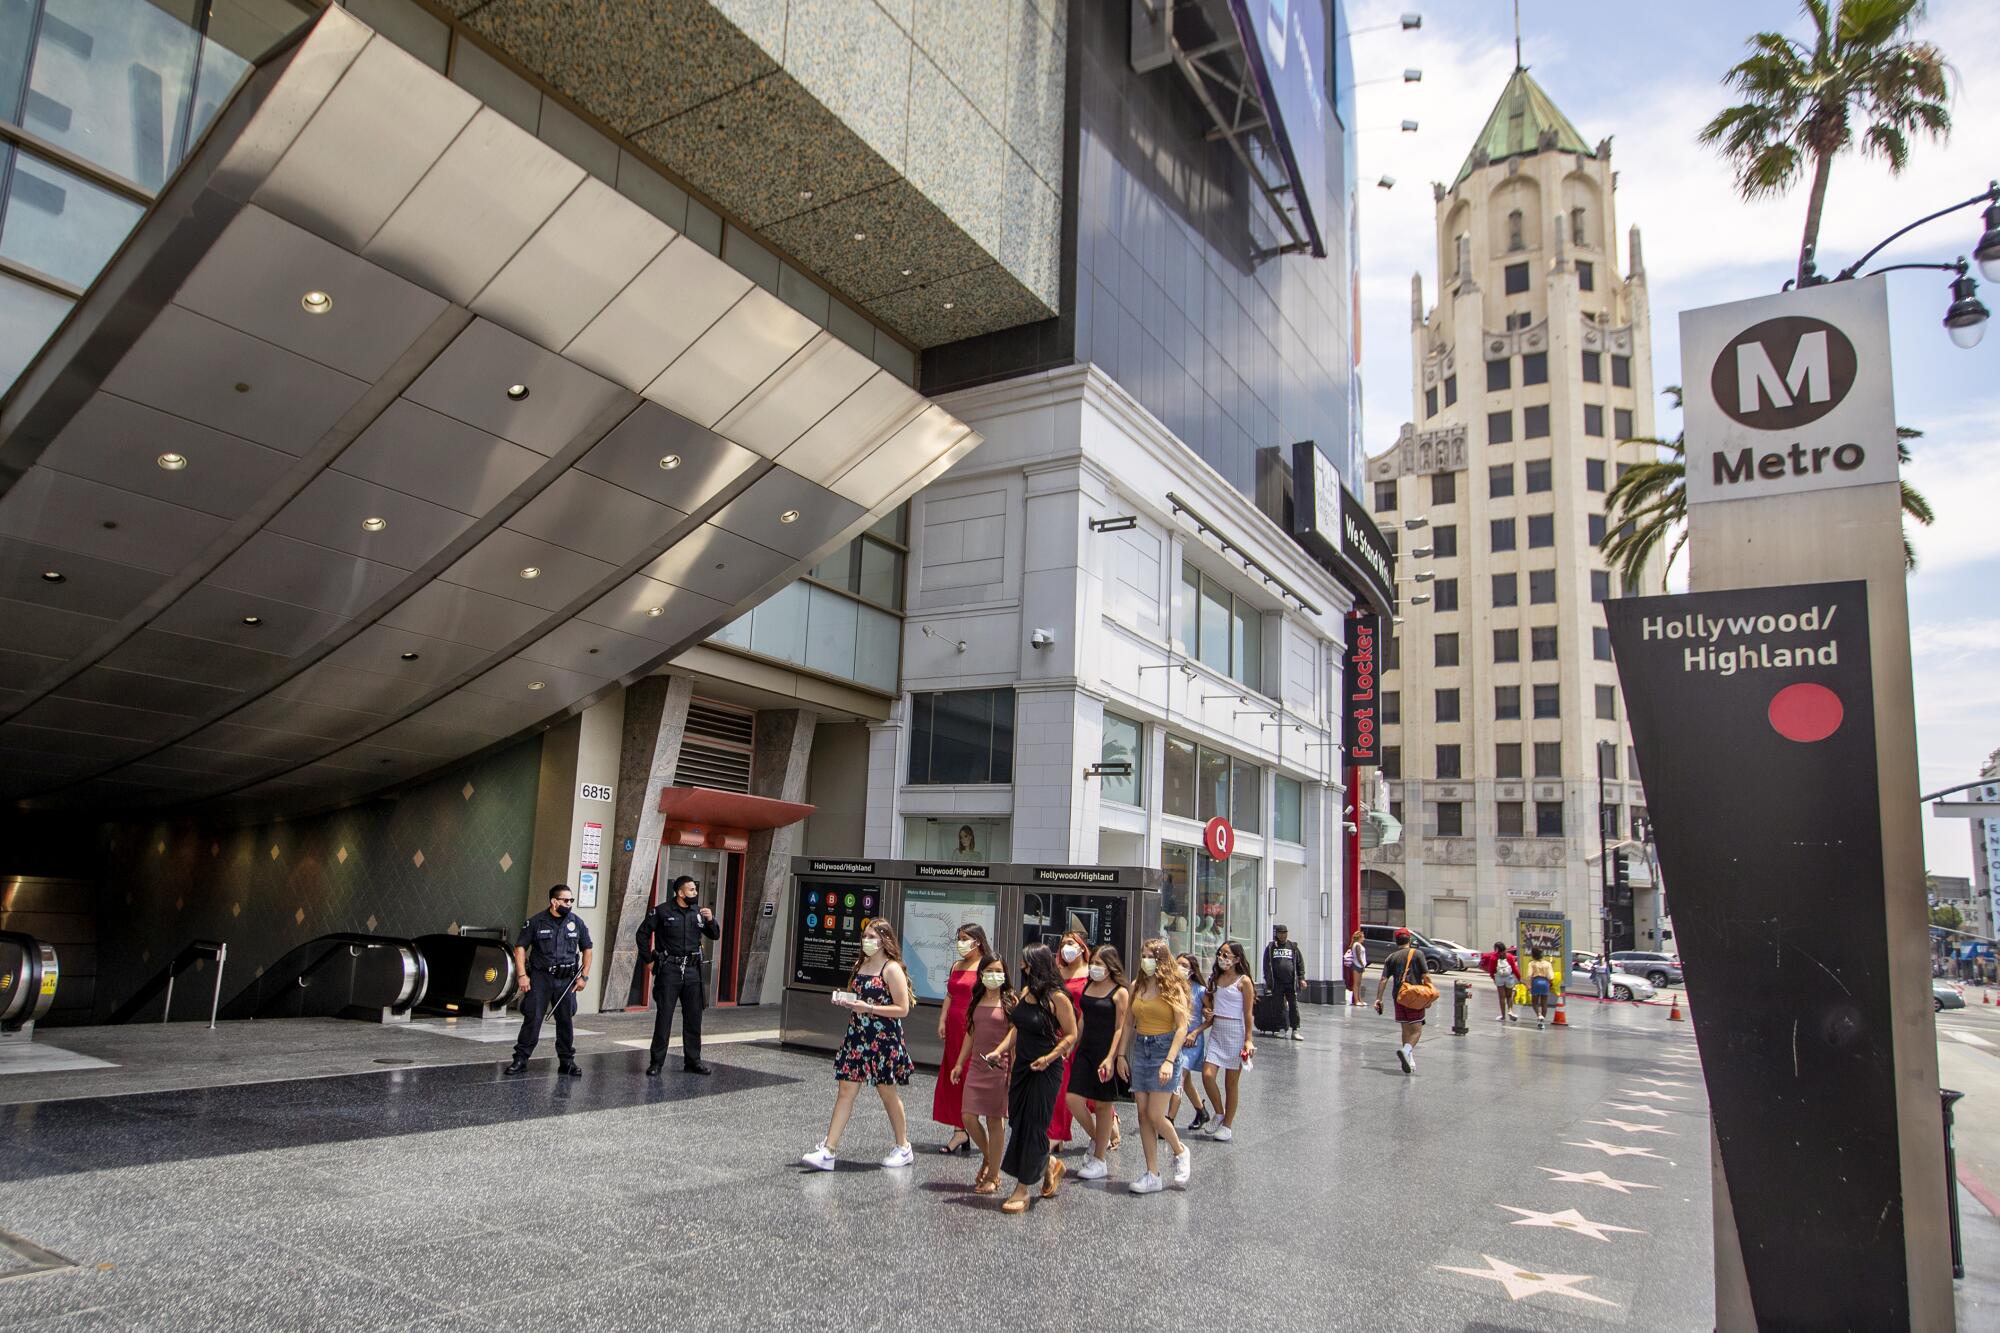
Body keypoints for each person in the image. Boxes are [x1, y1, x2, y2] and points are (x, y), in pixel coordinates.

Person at [801, 920, 916, 1170]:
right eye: (864, 936)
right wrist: (848, 1002)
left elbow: (903, 1008)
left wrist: (870, 1008)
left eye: (872, 936)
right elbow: (858, 996)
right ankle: (829, 1150)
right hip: (857, 1036)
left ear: (885, 939)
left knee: (887, 1093)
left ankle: (903, 1146)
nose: (866, 940)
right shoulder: (861, 964)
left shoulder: (891, 968)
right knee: (845, 1090)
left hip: (884, 1039)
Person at [982, 944, 1079, 1213]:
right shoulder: (1026, 993)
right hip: (1023, 1067)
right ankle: (1050, 1165)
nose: (1022, 967)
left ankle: (1022, 1190)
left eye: (1026, 963)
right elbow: (1018, 1028)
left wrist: (1050, 1057)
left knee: (1035, 1126)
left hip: (1045, 1069)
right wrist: (999, 1051)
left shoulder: (1057, 997)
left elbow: (1071, 1034)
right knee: (1018, 1122)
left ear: (1038, 964)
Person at [1122, 938, 1193, 1193]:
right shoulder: (1137, 985)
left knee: (1155, 1114)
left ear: (1161, 959)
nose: (1145, 960)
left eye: (1150, 955)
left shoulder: (1174, 988)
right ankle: (1152, 1172)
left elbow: (1182, 1027)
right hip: (1141, 1048)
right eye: (1143, 955)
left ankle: (1180, 1150)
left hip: (1164, 1049)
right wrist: (1121, 1055)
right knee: (1142, 1114)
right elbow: (1128, 1022)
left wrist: (1169, 1060)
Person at [636, 874, 721, 1076]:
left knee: (693, 1017)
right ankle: (656, 1062)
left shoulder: (698, 912)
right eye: (691, 890)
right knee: (664, 1016)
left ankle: (693, 1061)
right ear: (680, 892)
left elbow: (715, 935)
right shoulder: (662, 911)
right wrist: (649, 959)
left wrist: (710, 920)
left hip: (692, 970)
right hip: (670, 970)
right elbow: (642, 934)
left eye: (695, 889)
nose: (695, 893)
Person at [505, 885, 592, 1076]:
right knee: (533, 1019)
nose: (569, 904)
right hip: (541, 978)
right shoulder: (536, 922)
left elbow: (587, 949)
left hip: (566, 980)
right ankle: (520, 1060)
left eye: (571, 901)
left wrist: (583, 976)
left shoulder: (576, 922)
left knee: (565, 1021)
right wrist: (521, 975)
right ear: (554, 901)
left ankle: (567, 1062)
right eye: (565, 900)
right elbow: (520, 948)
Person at [950, 953, 1013, 1195]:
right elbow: (970, 1033)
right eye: (989, 971)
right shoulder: (976, 1000)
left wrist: (1004, 1059)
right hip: (976, 1066)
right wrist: (959, 1063)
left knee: (995, 1120)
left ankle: (994, 1176)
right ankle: (990, 1157)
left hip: (998, 1067)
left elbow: (1013, 1034)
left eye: (999, 971)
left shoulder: (1010, 1001)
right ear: (982, 974)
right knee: (968, 1116)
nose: (994, 976)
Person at [1066, 946, 1131, 1182]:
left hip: (1106, 1053)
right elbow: (1083, 1019)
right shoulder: (1089, 985)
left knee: (1104, 1105)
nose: (1094, 967)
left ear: (1111, 966)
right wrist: (1072, 1043)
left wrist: (1112, 1057)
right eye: (1093, 962)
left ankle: (1100, 1159)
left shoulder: (1120, 992)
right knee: (1072, 1098)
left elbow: (1120, 1027)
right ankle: (1097, 1138)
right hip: (1085, 1050)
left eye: (1100, 964)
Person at [933, 923, 993, 1153]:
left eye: (965, 938)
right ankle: (959, 1131)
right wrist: (941, 1020)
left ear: (977, 941)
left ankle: (976, 1124)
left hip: (974, 1027)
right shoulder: (956, 965)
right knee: (953, 1075)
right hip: (954, 1026)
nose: (961, 943)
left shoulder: (986, 966)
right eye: (959, 938)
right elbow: (949, 995)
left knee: (971, 1075)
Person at [1200, 940, 1255, 1140]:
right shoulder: (1215, 978)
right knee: (1207, 1074)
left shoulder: (1244, 981)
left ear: (1237, 959)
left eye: (1227, 955)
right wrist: (1206, 1011)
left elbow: (1248, 1013)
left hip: (1235, 1031)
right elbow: (1209, 1001)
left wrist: (1248, 1040)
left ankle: (1228, 1125)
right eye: (1220, 954)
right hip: (1217, 1029)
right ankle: (1218, 1112)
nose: (1222, 958)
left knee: (1231, 1083)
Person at [1047, 930, 1091, 1148]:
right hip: (1062, 1036)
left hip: (1087, 1036)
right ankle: (1056, 1133)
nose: (1066, 948)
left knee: (1089, 1089)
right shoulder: (1058, 973)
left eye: (1071, 943)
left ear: (1082, 947)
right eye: (1063, 943)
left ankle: (1110, 1122)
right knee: (1061, 1087)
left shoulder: (1092, 972)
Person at [1372, 927, 1430, 1074]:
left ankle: (1409, 1059)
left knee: (1405, 1028)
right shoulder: (1418, 954)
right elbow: (1425, 976)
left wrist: (1378, 999)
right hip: (1414, 995)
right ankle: (1406, 1051)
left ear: (1396, 941)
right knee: (1416, 1030)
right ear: (1409, 939)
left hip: (1398, 996)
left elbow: (1384, 979)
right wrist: (1429, 996)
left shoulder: (1391, 957)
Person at [1169, 951, 1211, 1132]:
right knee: (1185, 1080)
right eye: (1178, 964)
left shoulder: (1200, 991)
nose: (1180, 968)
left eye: (1185, 965)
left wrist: (1195, 1033)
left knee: (1179, 1078)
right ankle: (1201, 1111)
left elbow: (1211, 1016)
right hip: (1175, 1038)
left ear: (1192, 970)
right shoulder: (1171, 987)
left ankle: (1168, 1119)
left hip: (1192, 1041)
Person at [1263, 924, 1306, 1041]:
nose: (1282, 935)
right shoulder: (1271, 947)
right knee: (1279, 1006)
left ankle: (1295, 1029)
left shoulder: (1292, 946)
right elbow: (1266, 964)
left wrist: (1301, 978)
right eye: (1280, 933)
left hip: (1290, 982)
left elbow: (1299, 963)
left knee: (1293, 1005)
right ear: (1276, 934)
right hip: (1277, 983)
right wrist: (1268, 979)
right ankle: (1282, 1028)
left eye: (1284, 933)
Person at [1480, 940, 1520, 1023]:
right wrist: (1519, 978)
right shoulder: (1509, 956)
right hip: (1509, 977)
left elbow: (1491, 970)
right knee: (1509, 996)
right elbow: (1514, 968)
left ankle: (1503, 1016)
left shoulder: (1494, 957)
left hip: (1499, 978)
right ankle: (1510, 1011)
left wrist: (1493, 979)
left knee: (1502, 998)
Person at [1526, 947, 1556, 1027]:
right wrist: (1550, 984)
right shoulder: (1547, 964)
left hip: (1536, 982)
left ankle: (1539, 1015)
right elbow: (1551, 976)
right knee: (1544, 1003)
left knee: (1534, 1002)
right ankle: (1542, 1022)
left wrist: (1528, 985)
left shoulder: (1532, 963)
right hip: (1545, 983)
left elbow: (1529, 975)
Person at [1343, 930, 1367, 1006]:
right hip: (1357, 965)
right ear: (1359, 937)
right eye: (1363, 937)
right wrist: (1362, 964)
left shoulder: (1358, 944)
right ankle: (1356, 1000)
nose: (1364, 938)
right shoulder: (1357, 945)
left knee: (1359, 983)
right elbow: (1358, 956)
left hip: (1359, 965)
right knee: (1356, 984)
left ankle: (1359, 999)